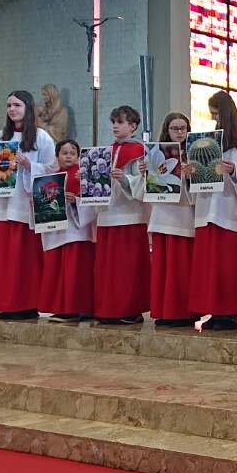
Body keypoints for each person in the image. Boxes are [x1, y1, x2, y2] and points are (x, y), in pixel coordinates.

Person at [0, 90, 57, 320]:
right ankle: (6, 304)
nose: (12, 109)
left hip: (25, 208)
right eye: (9, 105)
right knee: (4, 261)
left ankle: (28, 304)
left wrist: (30, 166)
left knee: (25, 261)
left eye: (17, 105)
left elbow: (53, 171)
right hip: (1, 208)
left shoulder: (41, 138)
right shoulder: (1, 137)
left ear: (28, 108)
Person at [190, 91, 237, 331]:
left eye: (216, 114)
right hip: (209, 209)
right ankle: (216, 311)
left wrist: (235, 169)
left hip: (232, 211)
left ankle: (234, 314)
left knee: (231, 267)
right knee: (212, 268)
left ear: (226, 112)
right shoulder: (211, 139)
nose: (213, 119)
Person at [141, 113, 200, 327]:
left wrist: (191, 176)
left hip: (184, 215)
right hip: (162, 214)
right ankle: (163, 312)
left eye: (183, 128)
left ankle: (184, 313)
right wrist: (144, 173)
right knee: (161, 269)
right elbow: (147, 189)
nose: (179, 132)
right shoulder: (155, 152)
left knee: (181, 268)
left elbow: (205, 188)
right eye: (175, 128)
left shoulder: (195, 153)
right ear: (167, 130)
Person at [94, 105, 150, 324]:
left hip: (130, 215)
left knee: (127, 267)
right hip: (106, 214)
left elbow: (145, 182)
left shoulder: (140, 150)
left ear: (133, 126)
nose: (115, 126)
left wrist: (125, 180)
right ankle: (108, 309)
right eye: (113, 122)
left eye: (120, 122)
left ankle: (129, 310)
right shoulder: (105, 151)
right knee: (107, 268)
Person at [40, 139, 95, 322]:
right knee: (56, 271)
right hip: (56, 232)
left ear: (78, 156)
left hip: (77, 231)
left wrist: (76, 201)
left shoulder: (83, 176)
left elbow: (93, 202)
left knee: (75, 272)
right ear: (57, 157)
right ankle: (60, 308)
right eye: (64, 153)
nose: (68, 156)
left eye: (72, 153)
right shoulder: (49, 180)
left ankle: (77, 308)